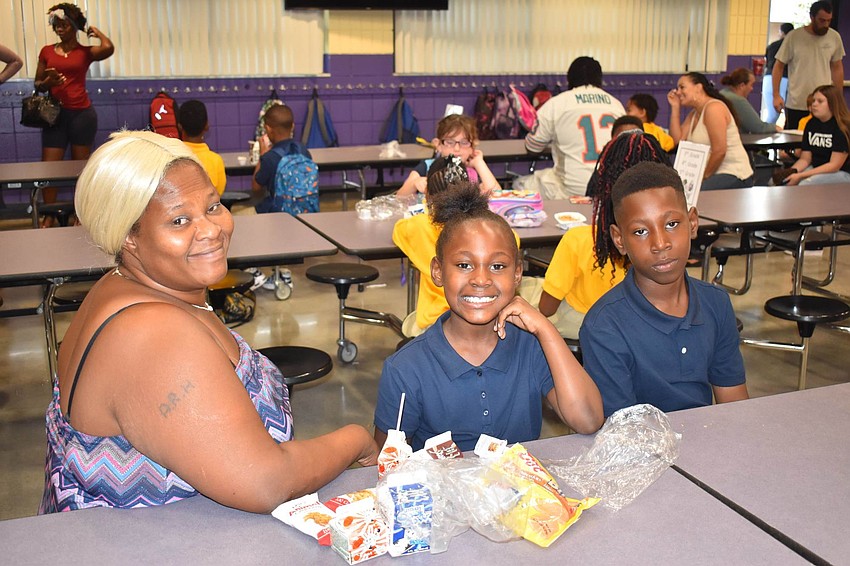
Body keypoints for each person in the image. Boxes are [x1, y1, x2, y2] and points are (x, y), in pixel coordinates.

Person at [40, 131, 378, 513]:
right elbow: (264, 481)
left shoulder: (119, 286)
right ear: (129, 237)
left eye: (213, 206)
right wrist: (355, 439)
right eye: (179, 220)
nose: (211, 230)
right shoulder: (154, 335)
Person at [374, 182, 603, 452]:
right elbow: (385, 465)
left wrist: (545, 329)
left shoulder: (531, 346)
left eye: (497, 266)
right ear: (438, 271)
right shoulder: (406, 369)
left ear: (517, 273)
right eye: (463, 265)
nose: (481, 279)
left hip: (522, 490)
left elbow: (588, 421)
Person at [579, 162, 749, 417]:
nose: (660, 243)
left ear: (692, 223)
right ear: (619, 240)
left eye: (671, 224)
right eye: (640, 231)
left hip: (711, 445)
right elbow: (624, 432)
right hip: (640, 450)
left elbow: (735, 406)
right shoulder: (604, 326)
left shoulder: (716, 303)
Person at [534, 132, 670, 339]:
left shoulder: (578, 239)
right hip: (643, 328)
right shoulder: (667, 244)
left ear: (605, 182)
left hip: (584, 327)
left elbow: (547, 308)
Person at [394, 156, 509, 337]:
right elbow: (513, 241)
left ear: (427, 194)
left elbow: (398, 231)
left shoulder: (417, 226)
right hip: (489, 316)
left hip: (434, 322)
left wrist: (427, 207)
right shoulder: (489, 228)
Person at [523, 56, 625, 199]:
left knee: (520, 184)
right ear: (600, 79)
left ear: (569, 78)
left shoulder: (556, 104)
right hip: (610, 189)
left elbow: (533, 147)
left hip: (571, 191)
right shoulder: (616, 105)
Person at [34, 4, 113, 163]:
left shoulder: (85, 52)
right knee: (50, 171)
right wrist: (48, 83)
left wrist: (97, 33)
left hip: (81, 115)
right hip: (54, 115)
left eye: (64, 25)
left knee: (79, 170)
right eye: (56, 26)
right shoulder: (46, 51)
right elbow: (37, 84)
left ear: (75, 27)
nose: (59, 29)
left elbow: (108, 48)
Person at [667, 72, 754, 190]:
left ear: (698, 88)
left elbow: (719, 151)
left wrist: (703, 177)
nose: (677, 92)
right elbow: (677, 140)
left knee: (693, 192)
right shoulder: (694, 114)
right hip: (713, 173)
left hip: (734, 174)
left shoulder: (714, 109)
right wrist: (675, 108)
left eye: (682, 87)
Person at [773, 1, 845, 130]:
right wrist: (776, 95)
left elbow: (837, 68)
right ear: (812, 17)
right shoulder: (794, 37)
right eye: (822, 20)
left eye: (829, 20)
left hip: (825, 104)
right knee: (794, 144)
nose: (826, 24)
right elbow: (778, 66)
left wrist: (837, 98)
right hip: (797, 103)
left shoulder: (834, 37)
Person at [396, 114, 499, 197]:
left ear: (472, 146)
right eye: (449, 142)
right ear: (438, 145)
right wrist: (414, 183)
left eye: (464, 142)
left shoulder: (472, 172)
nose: (457, 149)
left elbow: (498, 195)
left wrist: (479, 163)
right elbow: (400, 197)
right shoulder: (427, 167)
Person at [783, 84, 850, 186]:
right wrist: (792, 172)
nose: (814, 104)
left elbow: (834, 165)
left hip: (842, 172)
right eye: (813, 101)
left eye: (820, 101)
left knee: (803, 185)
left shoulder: (842, 127)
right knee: (784, 182)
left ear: (832, 104)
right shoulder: (811, 124)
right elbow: (805, 159)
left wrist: (801, 176)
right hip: (816, 168)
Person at [251, 104, 311, 214]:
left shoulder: (269, 158)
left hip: (278, 214)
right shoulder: (304, 151)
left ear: (268, 129)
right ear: (292, 126)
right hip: (304, 210)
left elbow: (256, 187)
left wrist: (262, 156)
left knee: (258, 202)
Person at [177, 99, 227, 195]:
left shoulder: (172, 157)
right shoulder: (216, 161)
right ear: (206, 125)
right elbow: (218, 195)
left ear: (179, 126)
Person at [719, 68, 781, 134]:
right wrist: (775, 127)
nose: (752, 89)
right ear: (742, 86)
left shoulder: (722, 93)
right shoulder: (738, 101)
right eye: (751, 85)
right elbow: (758, 127)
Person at [762, 23, 794, 124]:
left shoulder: (772, 45)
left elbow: (767, 62)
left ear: (781, 32)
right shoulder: (792, 46)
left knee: (773, 114)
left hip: (768, 78)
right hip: (784, 78)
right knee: (781, 113)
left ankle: (765, 132)